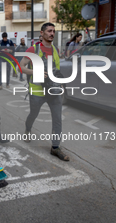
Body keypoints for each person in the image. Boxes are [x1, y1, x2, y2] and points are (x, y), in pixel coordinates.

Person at [20, 22, 69, 162]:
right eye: (49, 31)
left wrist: (60, 84)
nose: (52, 33)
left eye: (53, 31)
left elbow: (56, 70)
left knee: (57, 118)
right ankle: (28, 130)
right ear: (41, 33)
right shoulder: (33, 50)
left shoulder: (55, 50)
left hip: (53, 90)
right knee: (33, 114)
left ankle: (55, 147)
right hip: (37, 91)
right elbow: (21, 67)